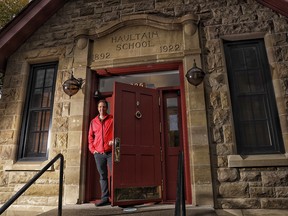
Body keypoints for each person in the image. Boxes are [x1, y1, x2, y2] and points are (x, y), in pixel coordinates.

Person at [88, 99, 113, 207]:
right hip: (98, 154)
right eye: (100, 107)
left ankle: (116, 197)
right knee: (103, 176)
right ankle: (105, 198)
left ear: (106, 108)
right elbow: (90, 137)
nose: (101, 109)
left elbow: (118, 132)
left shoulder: (112, 119)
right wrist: (93, 150)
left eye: (103, 107)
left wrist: (114, 140)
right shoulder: (93, 122)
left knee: (114, 174)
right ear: (97, 108)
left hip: (111, 152)